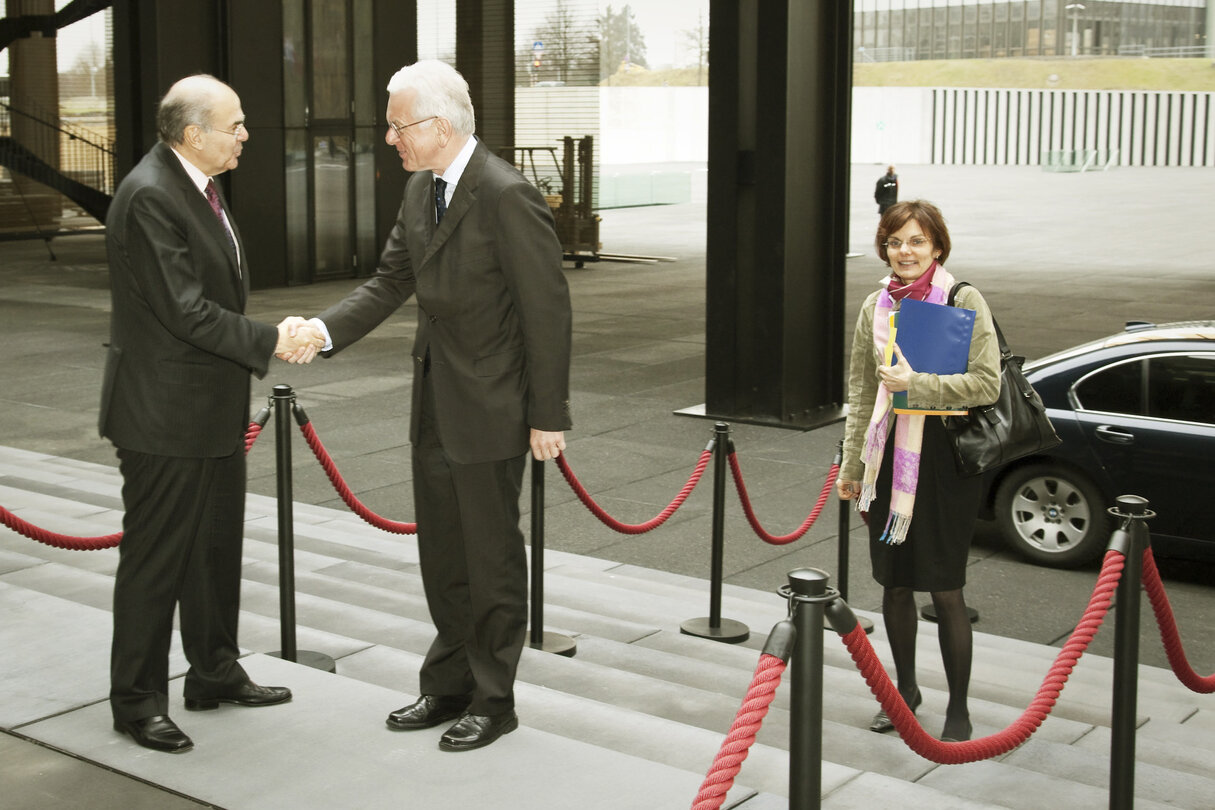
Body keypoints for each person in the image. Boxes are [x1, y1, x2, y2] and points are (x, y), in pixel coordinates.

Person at [289, 60, 572, 752]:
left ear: (439, 127)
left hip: (494, 409)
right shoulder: (421, 192)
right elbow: (388, 284)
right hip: (435, 405)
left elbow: (546, 311)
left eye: (396, 125)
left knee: (490, 557)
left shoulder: (505, 194)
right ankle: (447, 684)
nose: (389, 138)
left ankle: (493, 698)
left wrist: (548, 414)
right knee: (444, 555)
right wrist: (321, 333)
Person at [100, 74, 322, 754]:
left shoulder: (193, 186)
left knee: (213, 553)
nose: (246, 134)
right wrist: (271, 340)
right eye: (236, 124)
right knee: (156, 562)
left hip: (210, 411)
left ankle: (214, 673)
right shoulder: (149, 197)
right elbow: (185, 310)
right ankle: (137, 702)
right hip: (164, 418)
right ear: (193, 134)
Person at [835, 200, 1000, 743]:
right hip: (886, 460)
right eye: (895, 241)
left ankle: (959, 708)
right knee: (895, 584)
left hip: (944, 463)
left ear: (937, 247)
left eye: (916, 241)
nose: (905, 251)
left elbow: (986, 383)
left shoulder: (961, 298)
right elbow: (860, 391)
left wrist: (916, 385)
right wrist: (853, 462)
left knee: (946, 589)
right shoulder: (874, 306)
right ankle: (904, 693)